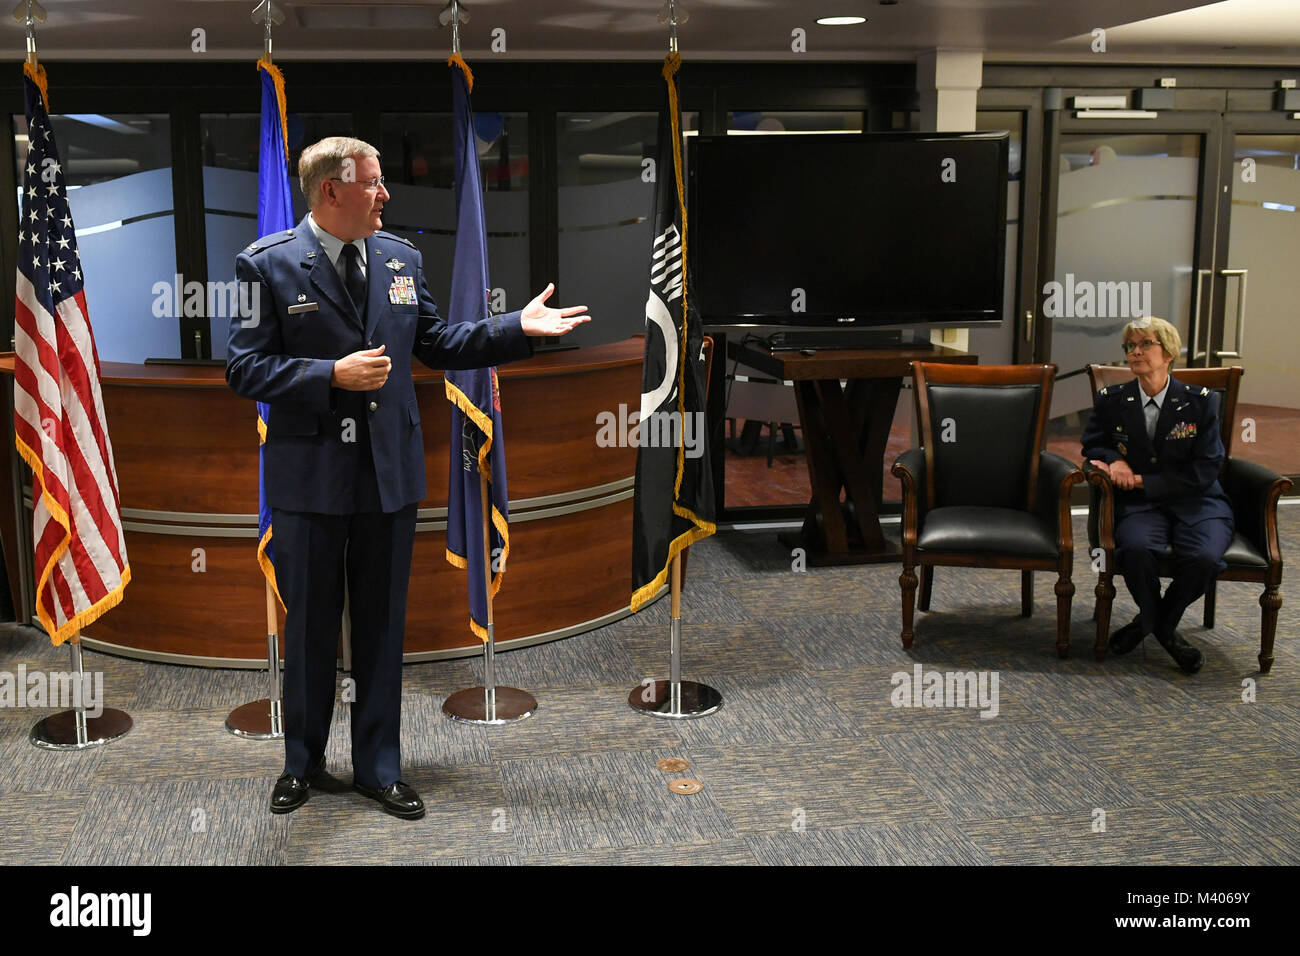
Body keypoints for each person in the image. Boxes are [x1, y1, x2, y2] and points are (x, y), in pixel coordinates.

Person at [227, 136, 590, 817]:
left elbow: (439, 341)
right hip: (308, 483)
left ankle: (378, 766)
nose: (386, 194)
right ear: (331, 191)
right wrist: (329, 376)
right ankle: (301, 763)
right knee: (308, 631)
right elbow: (244, 369)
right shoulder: (265, 266)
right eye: (373, 182)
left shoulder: (400, 259)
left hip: (387, 478)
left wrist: (515, 327)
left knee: (381, 630)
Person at [1081, 316, 1233, 674]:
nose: (1135, 352)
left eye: (1144, 344)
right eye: (1130, 347)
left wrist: (1142, 482)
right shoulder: (1113, 400)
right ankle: (1166, 632)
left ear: (1168, 352)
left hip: (1198, 502)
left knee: (1206, 558)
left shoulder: (1200, 403)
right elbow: (1093, 444)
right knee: (1134, 550)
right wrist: (1114, 460)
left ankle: (1153, 624)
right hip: (1140, 507)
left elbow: (1206, 469)